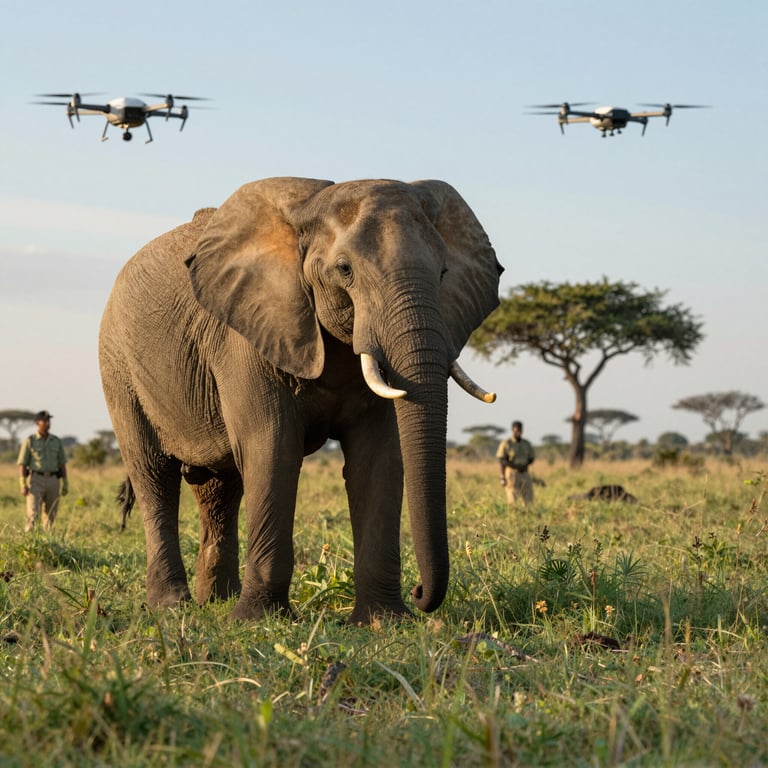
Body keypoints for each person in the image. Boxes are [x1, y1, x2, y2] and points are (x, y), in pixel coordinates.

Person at [17, 410, 68, 532]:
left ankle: (48, 545)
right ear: (37, 423)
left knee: (51, 515)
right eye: (44, 421)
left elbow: (62, 463)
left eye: (48, 421)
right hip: (36, 480)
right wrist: (22, 483)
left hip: (53, 480)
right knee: (33, 514)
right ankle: (30, 545)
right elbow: (22, 463)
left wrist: (65, 482)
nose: (47, 423)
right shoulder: (30, 440)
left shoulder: (56, 441)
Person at [496, 420, 535, 505]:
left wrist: (524, 465)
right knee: (512, 498)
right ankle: (513, 515)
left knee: (529, 498)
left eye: (520, 430)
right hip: (512, 473)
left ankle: (528, 514)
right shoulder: (507, 443)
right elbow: (502, 460)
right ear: (513, 430)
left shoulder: (526, 444)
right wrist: (502, 476)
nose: (519, 432)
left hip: (524, 473)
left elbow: (531, 458)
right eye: (517, 430)